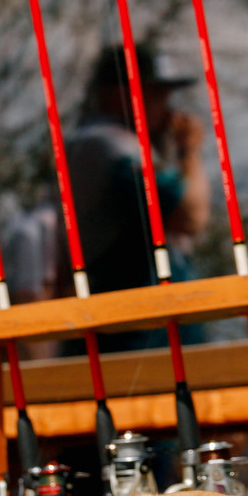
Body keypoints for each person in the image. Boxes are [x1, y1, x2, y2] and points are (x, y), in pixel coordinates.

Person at [64, 42, 209, 303]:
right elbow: (189, 217)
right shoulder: (107, 143)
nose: (168, 110)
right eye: (155, 95)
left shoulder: (120, 141)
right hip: (131, 318)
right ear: (119, 94)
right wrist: (189, 148)